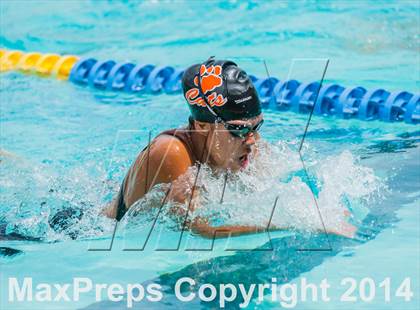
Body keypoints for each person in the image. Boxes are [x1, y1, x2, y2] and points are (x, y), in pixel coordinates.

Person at [104, 57, 356, 239]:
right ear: (203, 126)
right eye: (239, 130)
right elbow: (200, 229)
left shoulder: (243, 145)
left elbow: (283, 178)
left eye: (257, 128)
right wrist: (299, 222)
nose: (252, 141)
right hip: (91, 232)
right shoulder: (171, 153)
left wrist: (327, 205)